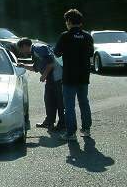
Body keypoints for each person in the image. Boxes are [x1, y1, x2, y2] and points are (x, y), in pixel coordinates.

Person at [54, 9, 94, 141]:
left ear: (68, 22)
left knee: (69, 106)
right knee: (84, 102)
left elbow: (56, 53)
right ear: (80, 22)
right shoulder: (87, 36)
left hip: (69, 75)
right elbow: (90, 54)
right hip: (84, 75)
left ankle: (71, 133)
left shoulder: (65, 36)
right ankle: (86, 129)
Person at [17, 38, 65, 132]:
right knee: (49, 100)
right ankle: (49, 122)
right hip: (51, 79)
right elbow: (36, 68)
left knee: (59, 101)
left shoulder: (38, 49)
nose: (21, 52)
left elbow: (51, 62)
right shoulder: (34, 52)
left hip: (57, 77)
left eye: (21, 49)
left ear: (25, 46)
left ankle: (62, 124)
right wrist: (23, 66)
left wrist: (44, 75)